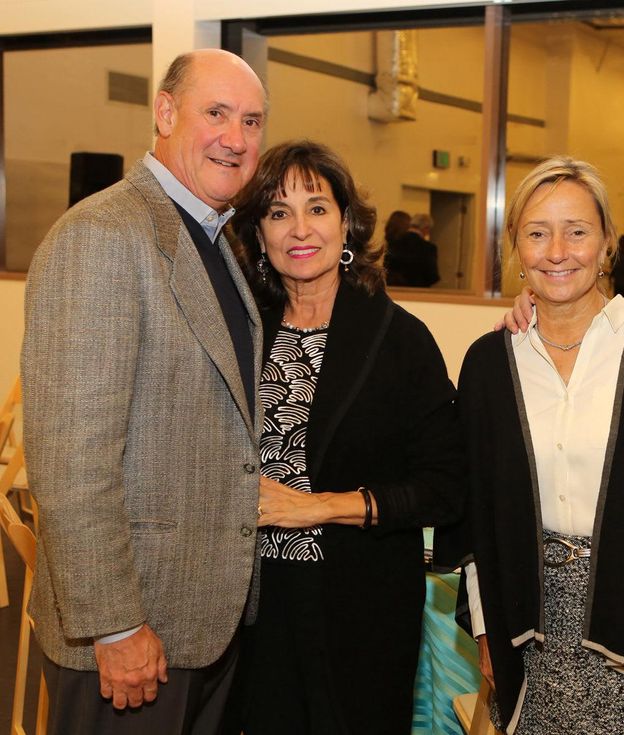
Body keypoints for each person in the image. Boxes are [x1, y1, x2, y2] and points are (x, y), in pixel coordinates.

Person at [21, 49, 267, 733]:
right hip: (131, 635)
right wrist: (116, 625)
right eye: (215, 113)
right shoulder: (101, 235)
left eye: (252, 121)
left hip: (197, 625)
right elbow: (71, 460)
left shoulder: (212, 239)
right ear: (164, 112)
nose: (236, 138)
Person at [224, 139, 463, 735]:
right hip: (248, 609)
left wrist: (319, 507)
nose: (300, 229)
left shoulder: (400, 340)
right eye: (278, 212)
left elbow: (445, 486)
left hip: (358, 609)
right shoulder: (241, 330)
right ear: (258, 233)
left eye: (317, 208)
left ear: (346, 224)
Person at [438, 157, 624, 734]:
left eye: (577, 231)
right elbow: (476, 512)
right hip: (525, 619)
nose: (558, 251)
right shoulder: (490, 364)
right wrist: (487, 630)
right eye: (538, 233)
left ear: (608, 241)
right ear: (516, 248)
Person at [385, 211, 440, 287]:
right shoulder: (429, 248)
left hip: (395, 288)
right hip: (419, 290)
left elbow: (386, 270)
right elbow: (433, 277)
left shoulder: (394, 243)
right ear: (426, 228)